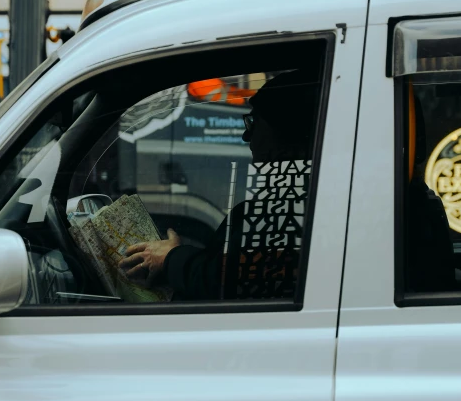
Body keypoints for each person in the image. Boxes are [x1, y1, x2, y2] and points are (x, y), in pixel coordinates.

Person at [118, 69, 320, 301]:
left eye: (255, 121)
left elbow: (230, 281)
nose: (246, 135)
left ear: (286, 132)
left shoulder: (285, 213)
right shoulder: (298, 202)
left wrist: (171, 258)